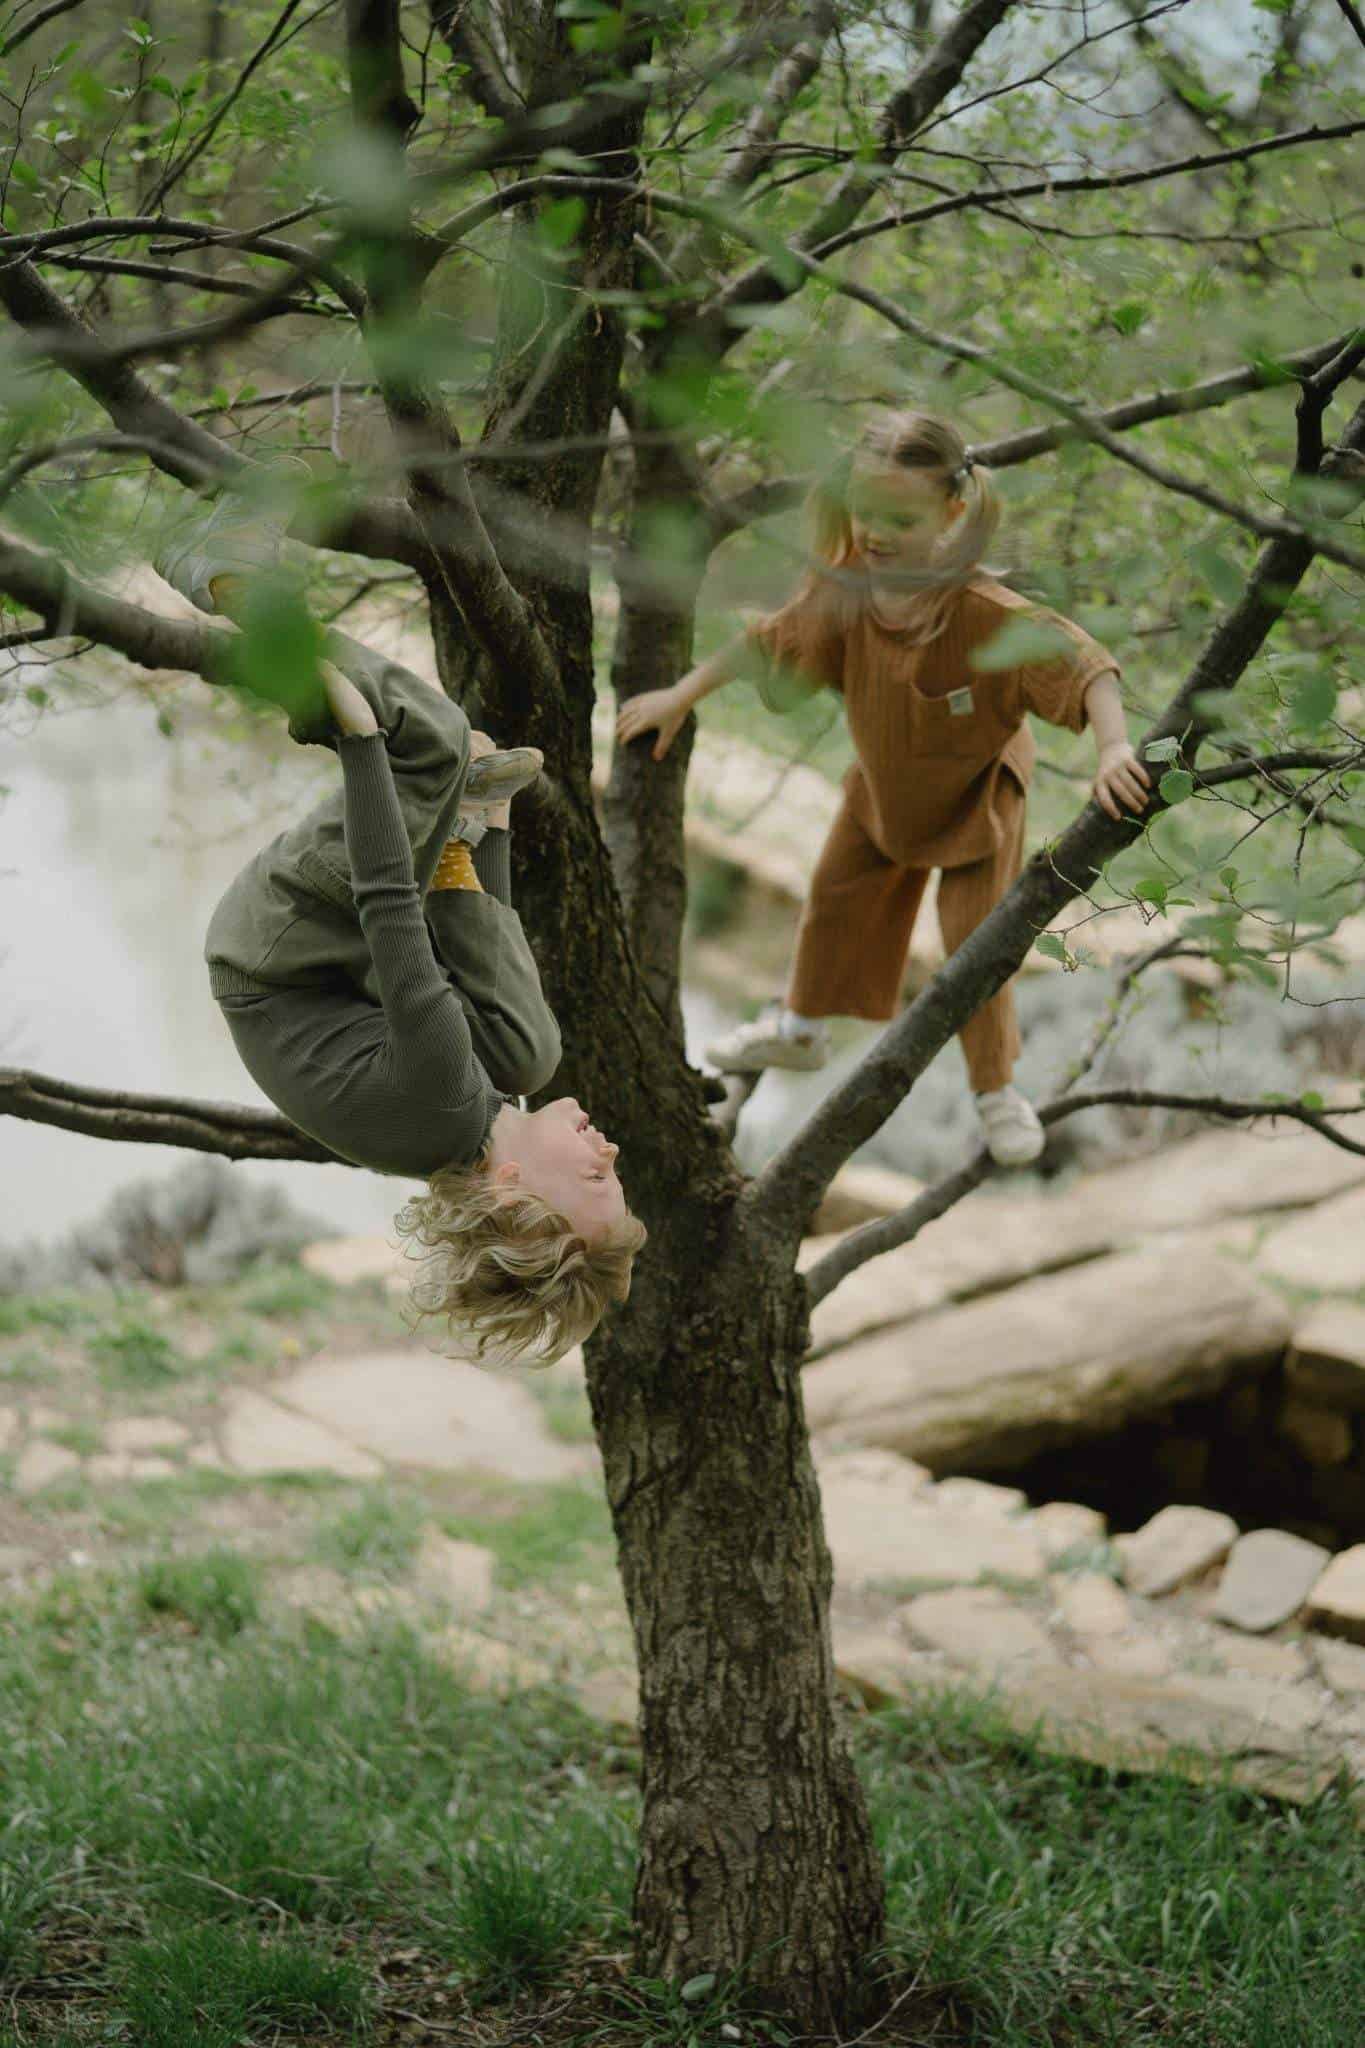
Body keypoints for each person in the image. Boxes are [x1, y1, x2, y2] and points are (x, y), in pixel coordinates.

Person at [157, 506, 645, 1364]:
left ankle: (228, 578)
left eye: (596, 1173)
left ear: (513, 1188)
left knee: (430, 744)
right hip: (335, 969)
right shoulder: (476, 1123)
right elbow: (470, 974)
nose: (607, 1147)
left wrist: (359, 742)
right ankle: (465, 817)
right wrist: (487, 832)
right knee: (530, 1054)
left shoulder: (442, 1098)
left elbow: (386, 904)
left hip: (278, 951)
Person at [615, 407, 1153, 1168]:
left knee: (977, 941)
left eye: (902, 518)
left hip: (975, 800)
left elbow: (1084, 664)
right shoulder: (847, 591)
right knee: (833, 901)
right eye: (867, 511)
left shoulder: (983, 613)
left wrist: (1114, 747)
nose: (876, 532)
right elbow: (769, 640)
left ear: (952, 511)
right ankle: (800, 1028)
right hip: (883, 792)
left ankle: (995, 1089)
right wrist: (681, 695)